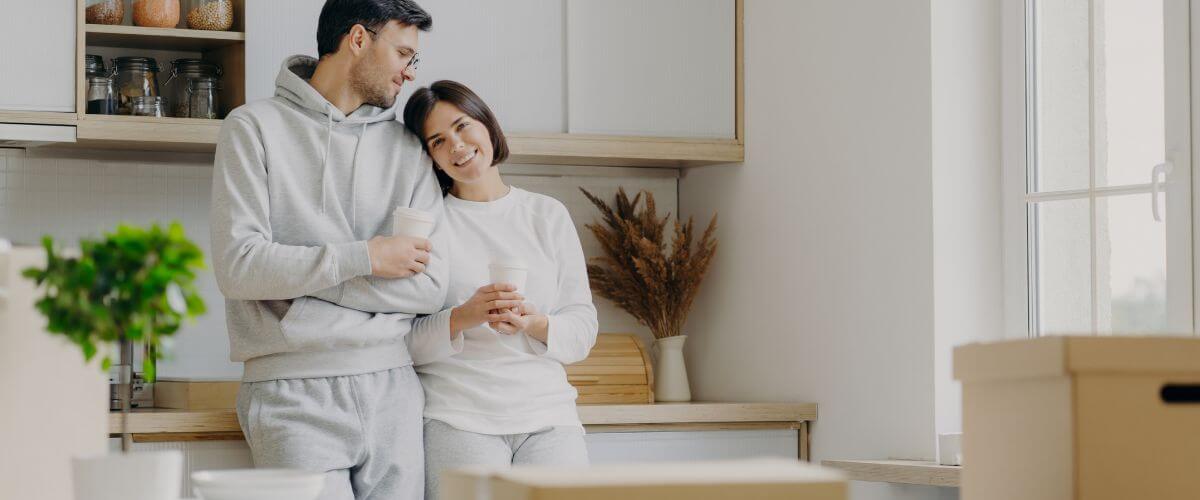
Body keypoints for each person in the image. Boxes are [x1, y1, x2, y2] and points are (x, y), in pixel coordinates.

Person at [208, 1, 444, 498]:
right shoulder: (253, 128)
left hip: (395, 389)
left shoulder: (407, 150)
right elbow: (239, 268)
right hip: (291, 393)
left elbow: (429, 286)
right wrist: (368, 258)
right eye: (403, 53)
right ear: (358, 39)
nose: (410, 72)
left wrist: (299, 285)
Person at [401, 80, 600, 500]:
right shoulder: (427, 224)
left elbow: (582, 331)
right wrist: (464, 316)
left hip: (548, 417)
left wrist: (535, 323)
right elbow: (402, 342)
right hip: (458, 418)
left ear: (487, 125)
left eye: (462, 126)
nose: (456, 145)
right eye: (438, 140)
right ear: (430, 157)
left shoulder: (547, 215)